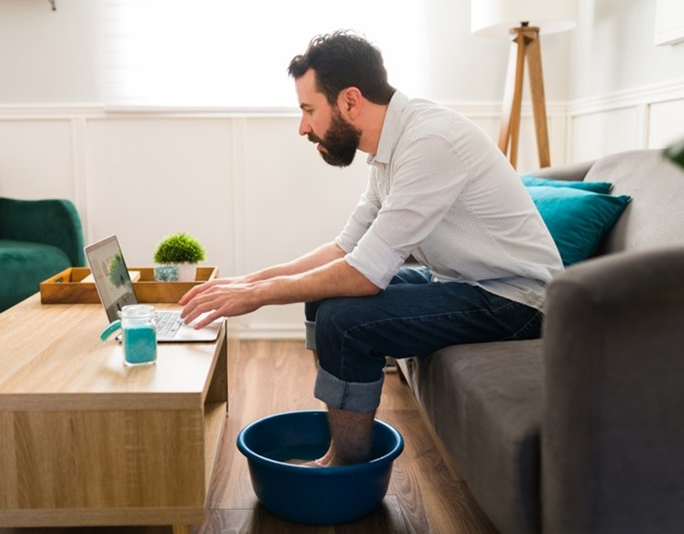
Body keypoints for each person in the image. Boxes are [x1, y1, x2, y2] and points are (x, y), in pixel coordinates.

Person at [180, 30, 563, 467]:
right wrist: (250, 280)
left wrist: (256, 297)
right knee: (321, 297)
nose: (302, 126)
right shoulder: (391, 148)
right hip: (468, 282)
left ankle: (346, 467)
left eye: (308, 110)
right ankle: (340, 410)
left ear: (350, 101)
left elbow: (364, 273)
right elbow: (347, 247)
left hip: (518, 301)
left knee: (345, 321)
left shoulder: (428, 142)